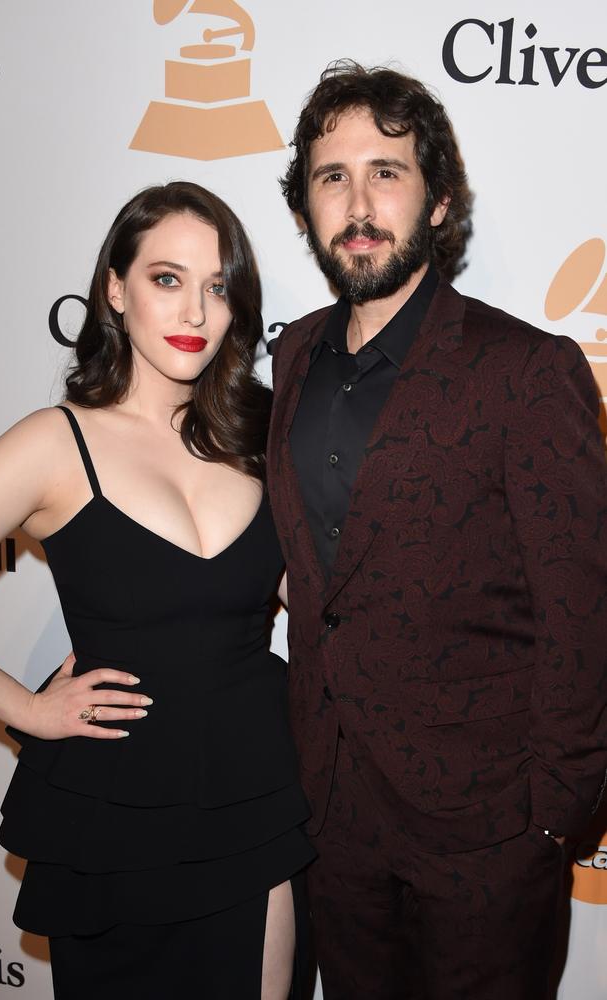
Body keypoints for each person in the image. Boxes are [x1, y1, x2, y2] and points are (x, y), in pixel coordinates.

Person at [267, 60, 607, 999]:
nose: (360, 201)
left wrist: (551, 819)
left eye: (388, 171)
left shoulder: (526, 372)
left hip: (487, 831)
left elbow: (584, 610)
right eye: (333, 177)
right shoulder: (291, 354)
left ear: (441, 201)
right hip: (331, 814)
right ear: (305, 211)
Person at [0, 181, 315, 999]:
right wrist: (29, 708)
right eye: (167, 278)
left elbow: (321, 602)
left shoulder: (260, 437)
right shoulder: (57, 442)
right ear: (114, 290)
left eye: (217, 286)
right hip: (113, 815)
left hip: (254, 794)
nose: (195, 309)